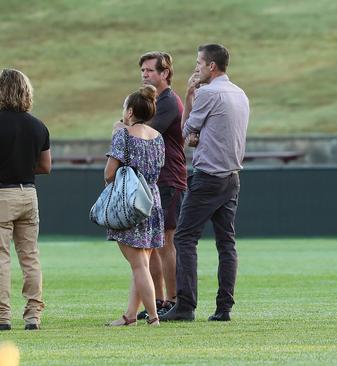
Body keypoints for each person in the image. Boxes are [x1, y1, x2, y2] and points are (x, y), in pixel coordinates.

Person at [160, 44, 249, 322]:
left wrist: (188, 95)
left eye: (199, 63)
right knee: (226, 243)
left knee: (185, 238)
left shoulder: (208, 92)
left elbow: (185, 131)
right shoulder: (239, 93)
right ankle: (224, 308)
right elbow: (218, 132)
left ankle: (185, 305)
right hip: (232, 178)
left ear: (211, 66)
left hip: (208, 177)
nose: (196, 68)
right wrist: (201, 137)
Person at [0, 68, 51, 331]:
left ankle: (2, 317)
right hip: (29, 194)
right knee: (30, 257)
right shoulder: (38, 125)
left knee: (0, 257)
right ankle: (32, 317)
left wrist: (1, 163)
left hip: (1, 195)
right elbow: (46, 166)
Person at [105, 85, 165, 327]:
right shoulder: (158, 137)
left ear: (130, 111)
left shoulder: (123, 135)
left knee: (138, 264)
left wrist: (117, 135)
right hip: (152, 200)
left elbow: (110, 173)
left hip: (130, 203)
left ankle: (153, 317)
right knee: (141, 264)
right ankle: (130, 316)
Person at [135, 52, 186, 319]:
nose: (145, 75)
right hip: (153, 179)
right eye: (142, 71)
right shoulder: (155, 101)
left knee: (166, 241)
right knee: (152, 243)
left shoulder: (167, 102)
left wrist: (125, 125)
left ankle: (175, 300)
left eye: (150, 71)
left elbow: (145, 133)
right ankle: (158, 301)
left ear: (165, 73)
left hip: (169, 178)